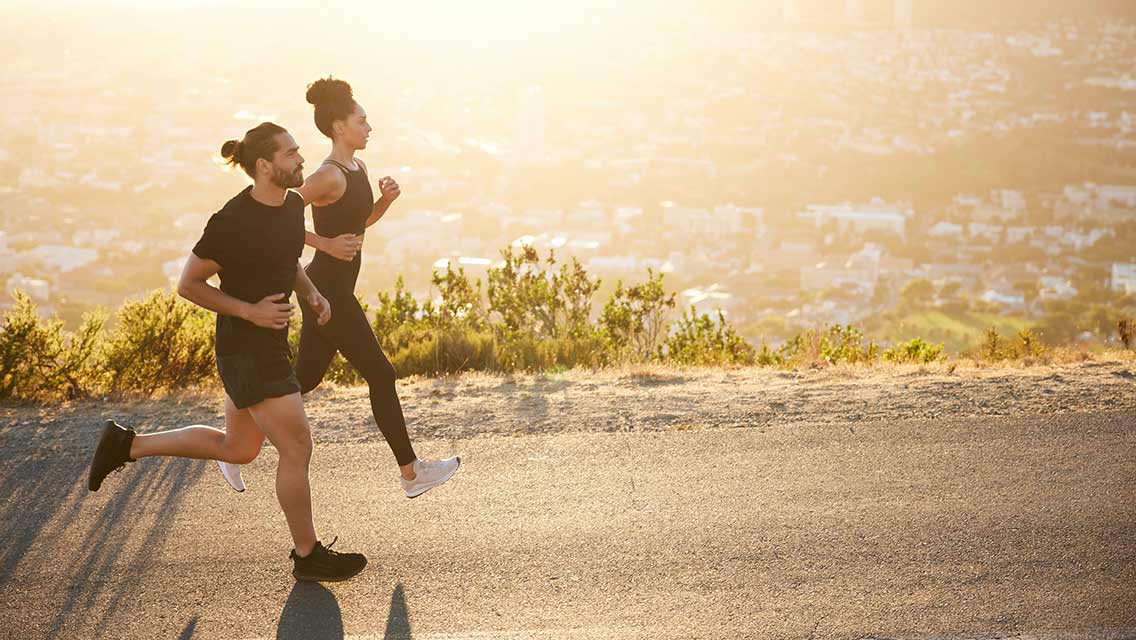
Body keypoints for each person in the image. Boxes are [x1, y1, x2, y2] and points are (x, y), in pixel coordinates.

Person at [88, 122, 367, 583]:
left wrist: (313, 293)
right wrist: (250, 312)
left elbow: (287, 254)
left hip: (266, 343)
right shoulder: (232, 221)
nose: (301, 160)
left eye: (299, 152)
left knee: (237, 449)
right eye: (291, 154)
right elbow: (188, 284)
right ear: (265, 165)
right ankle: (307, 554)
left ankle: (126, 444)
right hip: (247, 347)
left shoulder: (290, 204)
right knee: (297, 446)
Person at [216, 78, 460, 499]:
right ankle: (411, 471)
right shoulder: (326, 176)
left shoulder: (357, 169)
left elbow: (357, 224)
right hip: (328, 288)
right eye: (361, 121)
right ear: (338, 127)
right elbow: (282, 216)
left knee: (302, 379)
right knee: (382, 373)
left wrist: (383, 203)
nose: (369, 127)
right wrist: (323, 243)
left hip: (331, 290)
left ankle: (231, 437)